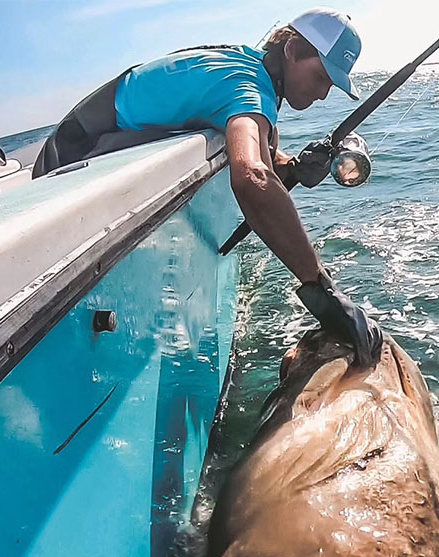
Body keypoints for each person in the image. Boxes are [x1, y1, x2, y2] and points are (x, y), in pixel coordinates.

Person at [33, 8, 383, 367]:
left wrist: (293, 167)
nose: (324, 94)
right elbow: (253, 177)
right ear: (293, 50)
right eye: (323, 76)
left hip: (77, 141)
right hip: (73, 157)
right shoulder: (247, 87)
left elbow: (262, 155)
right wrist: (322, 289)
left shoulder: (248, 67)